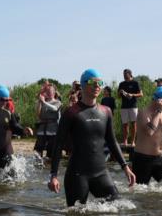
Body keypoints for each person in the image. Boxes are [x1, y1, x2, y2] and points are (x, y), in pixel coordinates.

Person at [48, 69, 136, 205]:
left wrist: (125, 167)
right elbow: (58, 144)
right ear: (83, 85)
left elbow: (112, 142)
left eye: (100, 83)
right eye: (92, 83)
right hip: (78, 174)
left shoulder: (105, 111)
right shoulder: (71, 113)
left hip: (101, 173)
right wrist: (53, 175)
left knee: (119, 209)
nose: (97, 86)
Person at [34, 81, 61, 160]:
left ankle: (49, 170)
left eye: (50, 91)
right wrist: (40, 100)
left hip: (53, 131)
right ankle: (38, 168)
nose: (49, 92)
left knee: (50, 155)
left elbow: (55, 109)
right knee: (37, 153)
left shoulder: (57, 102)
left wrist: (44, 102)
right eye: (47, 91)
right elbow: (38, 113)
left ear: (54, 92)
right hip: (42, 130)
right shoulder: (42, 102)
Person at [118, 69, 142, 145]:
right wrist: (120, 92)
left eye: (125, 74)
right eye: (123, 74)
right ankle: (125, 141)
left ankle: (133, 141)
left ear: (130, 74)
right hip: (124, 106)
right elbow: (118, 97)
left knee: (133, 124)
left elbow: (141, 94)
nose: (124, 76)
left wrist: (132, 95)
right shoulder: (121, 84)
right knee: (125, 124)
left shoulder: (135, 83)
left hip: (133, 106)